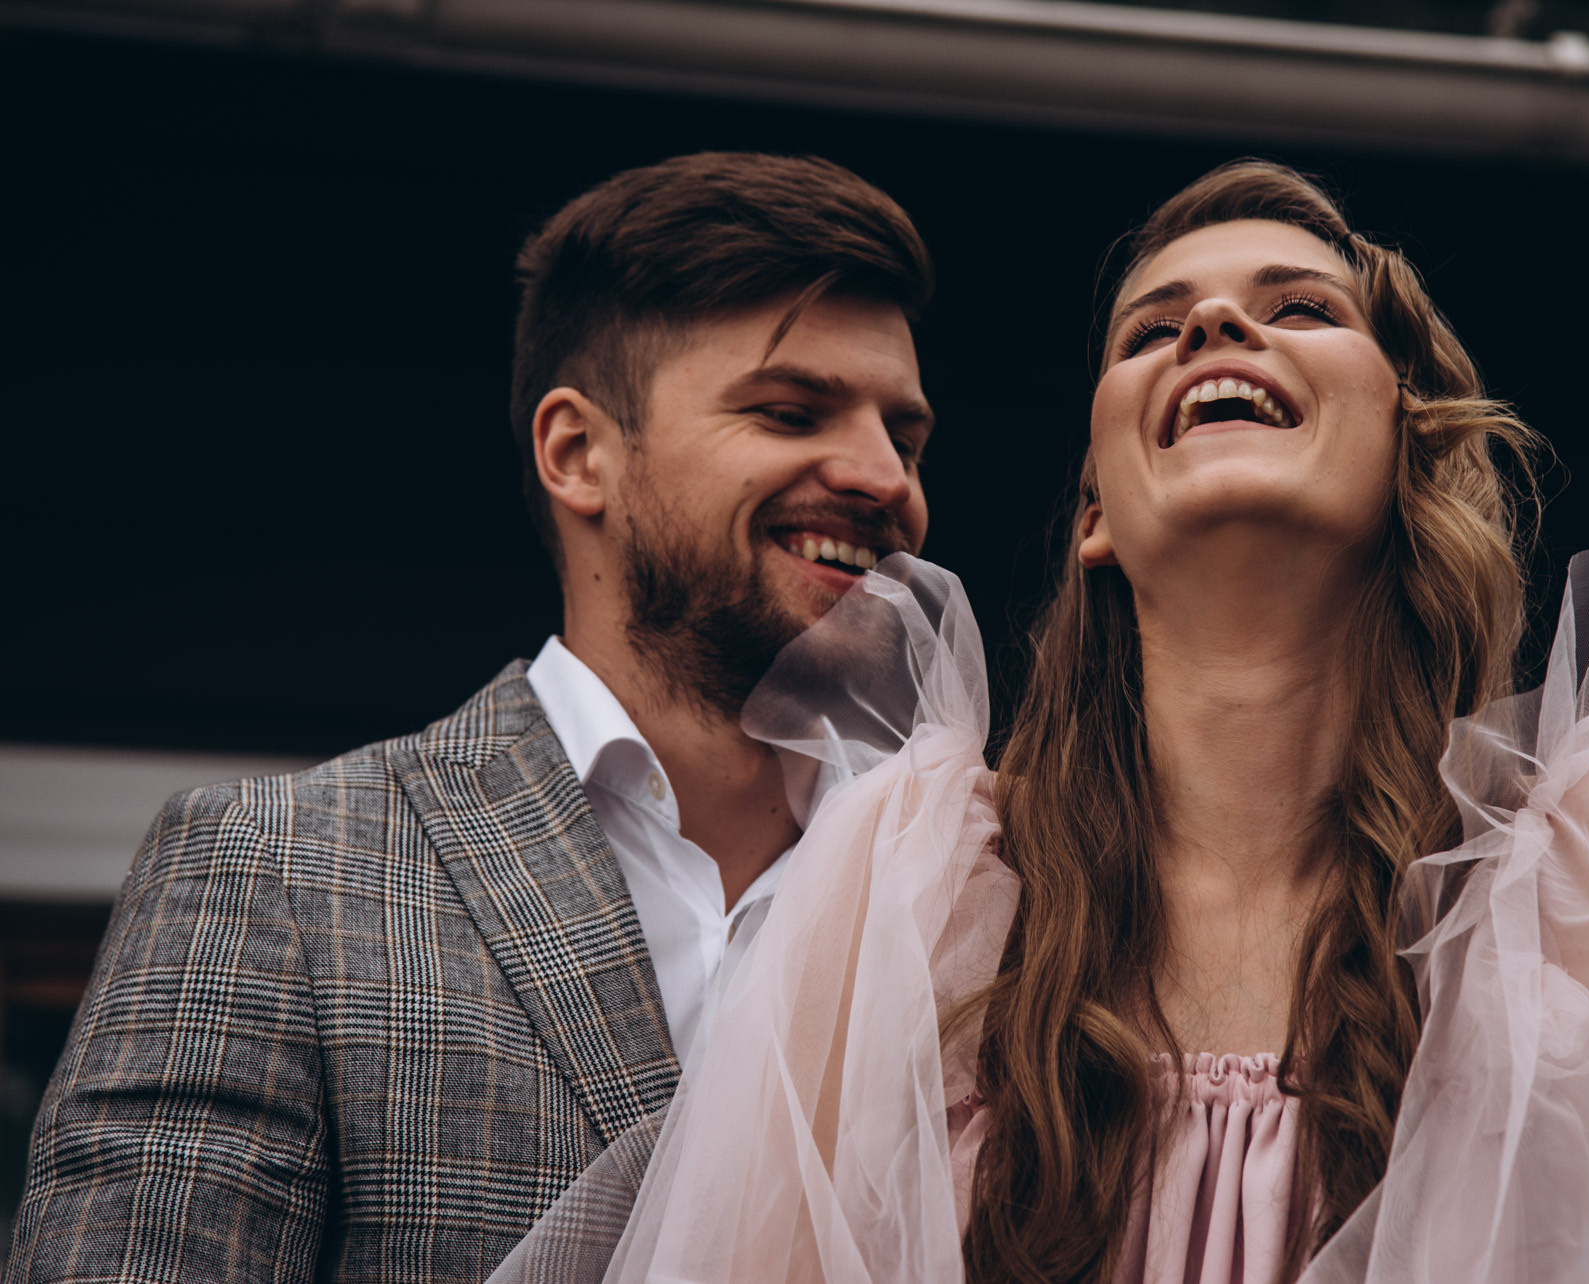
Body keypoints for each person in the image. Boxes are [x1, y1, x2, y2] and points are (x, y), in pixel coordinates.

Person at [493, 160, 1589, 1283]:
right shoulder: (908, 885)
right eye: (1152, 328)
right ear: (1096, 512)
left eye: (1301, 309)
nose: (1216, 330)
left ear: (1409, 448)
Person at [5, 152, 937, 1284]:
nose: (884, 477)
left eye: (906, 438)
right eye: (791, 412)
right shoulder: (277, 870)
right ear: (578, 454)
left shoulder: (968, 896)